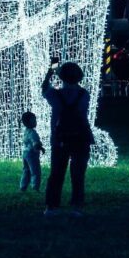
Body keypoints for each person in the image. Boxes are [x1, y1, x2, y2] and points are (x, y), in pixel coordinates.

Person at [41, 59, 94, 216]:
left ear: (61, 77)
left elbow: (44, 89)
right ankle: (77, 206)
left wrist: (50, 73)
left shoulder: (54, 95)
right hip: (81, 137)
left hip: (60, 138)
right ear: (79, 76)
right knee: (78, 173)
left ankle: (51, 206)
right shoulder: (84, 95)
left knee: (56, 173)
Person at [19, 111, 44, 192]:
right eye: (34, 120)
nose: (35, 122)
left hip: (25, 153)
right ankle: (35, 187)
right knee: (35, 171)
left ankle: (23, 186)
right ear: (29, 122)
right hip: (32, 154)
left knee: (26, 170)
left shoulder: (26, 131)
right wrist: (40, 148)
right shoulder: (33, 133)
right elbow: (35, 143)